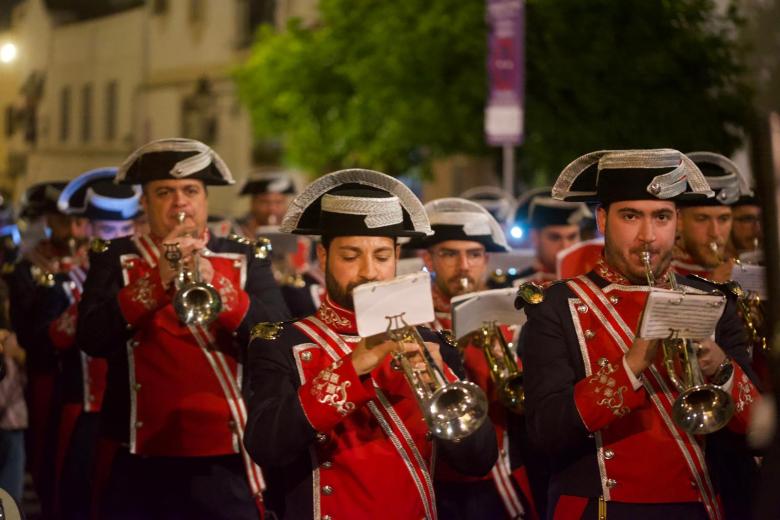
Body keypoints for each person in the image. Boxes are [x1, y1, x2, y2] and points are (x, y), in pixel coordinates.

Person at [519, 149, 760, 519]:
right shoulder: (556, 307)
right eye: (631, 216)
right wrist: (632, 364)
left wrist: (721, 367)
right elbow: (544, 432)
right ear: (602, 219)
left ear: (677, 222)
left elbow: (758, 428)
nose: (647, 236)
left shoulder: (714, 300)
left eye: (661, 217)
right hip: (601, 508)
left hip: (700, 505)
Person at [244, 169, 498, 520]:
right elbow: (265, 445)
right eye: (350, 257)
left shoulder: (433, 343)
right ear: (323, 256)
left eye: (381, 257)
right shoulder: (283, 343)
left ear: (397, 256)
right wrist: (352, 369)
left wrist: (445, 379)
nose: (368, 272)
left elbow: (478, 461)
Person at [76, 138, 289, 519]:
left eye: (190, 191)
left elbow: (277, 337)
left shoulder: (244, 256)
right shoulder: (114, 257)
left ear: (205, 199)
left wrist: (221, 289)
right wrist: (155, 283)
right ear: (144, 202)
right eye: (164, 192)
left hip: (226, 454)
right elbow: (91, 338)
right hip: (139, 452)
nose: (180, 203)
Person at [410, 197, 541, 519]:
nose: (464, 266)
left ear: (486, 260)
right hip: (431, 474)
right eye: (450, 254)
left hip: (498, 477)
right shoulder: (412, 323)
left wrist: (500, 355)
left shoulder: (512, 322)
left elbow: (529, 404)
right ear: (428, 258)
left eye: (474, 255)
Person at [53, 167, 141, 519]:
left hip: (132, 414)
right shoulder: (64, 281)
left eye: (125, 231)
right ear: (86, 229)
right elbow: (56, 339)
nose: (118, 239)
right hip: (86, 413)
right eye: (108, 231)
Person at [6, 181, 90, 517]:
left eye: (78, 221)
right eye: (61, 220)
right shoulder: (29, 267)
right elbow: (28, 333)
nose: (71, 229)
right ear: (47, 221)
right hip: (50, 377)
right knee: (50, 457)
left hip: (92, 378)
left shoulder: (98, 262)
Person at [238, 171, 321, 318]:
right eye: (265, 202)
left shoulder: (304, 238)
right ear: (252, 203)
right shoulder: (236, 234)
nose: (272, 209)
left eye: (278, 202)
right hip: (253, 307)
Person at [672, 152, 748, 282]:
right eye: (702, 219)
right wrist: (711, 287)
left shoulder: (740, 269)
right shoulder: (662, 275)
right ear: (679, 221)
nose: (715, 233)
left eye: (723, 219)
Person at [513, 193, 591, 287]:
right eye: (555, 238)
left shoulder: (593, 281)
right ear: (535, 237)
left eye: (572, 237)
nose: (565, 246)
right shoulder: (514, 284)